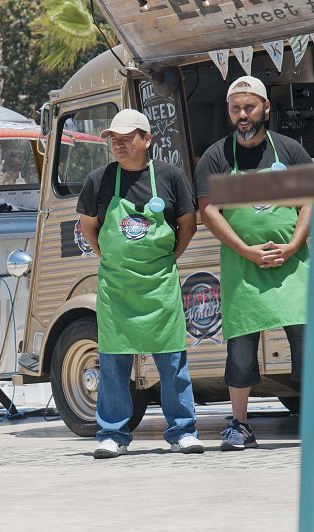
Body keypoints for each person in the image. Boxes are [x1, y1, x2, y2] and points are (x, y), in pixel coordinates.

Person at [77, 109, 203, 459]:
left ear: (147, 139)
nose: (117, 144)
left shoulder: (171, 177)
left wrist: (167, 258)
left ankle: (183, 431)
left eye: (126, 137)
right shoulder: (99, 179)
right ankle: (113, 434)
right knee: (114, 361)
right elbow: (89, 227)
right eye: (113, 139)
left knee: (172, 360)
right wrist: (109, 255)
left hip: (159, 283)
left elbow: (188, 225)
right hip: (117, 285)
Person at [195, 76, 311, 451]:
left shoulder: (290, 150)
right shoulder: (216, 157)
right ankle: (240, 425)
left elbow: (308, 199)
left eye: (249, 107)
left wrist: (294, 245)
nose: (242, 115)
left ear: (265, 107)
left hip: (294, 265)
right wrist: (247, 250)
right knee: (241, 350)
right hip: (242, 267)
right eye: (235, 109)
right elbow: (207, 210)